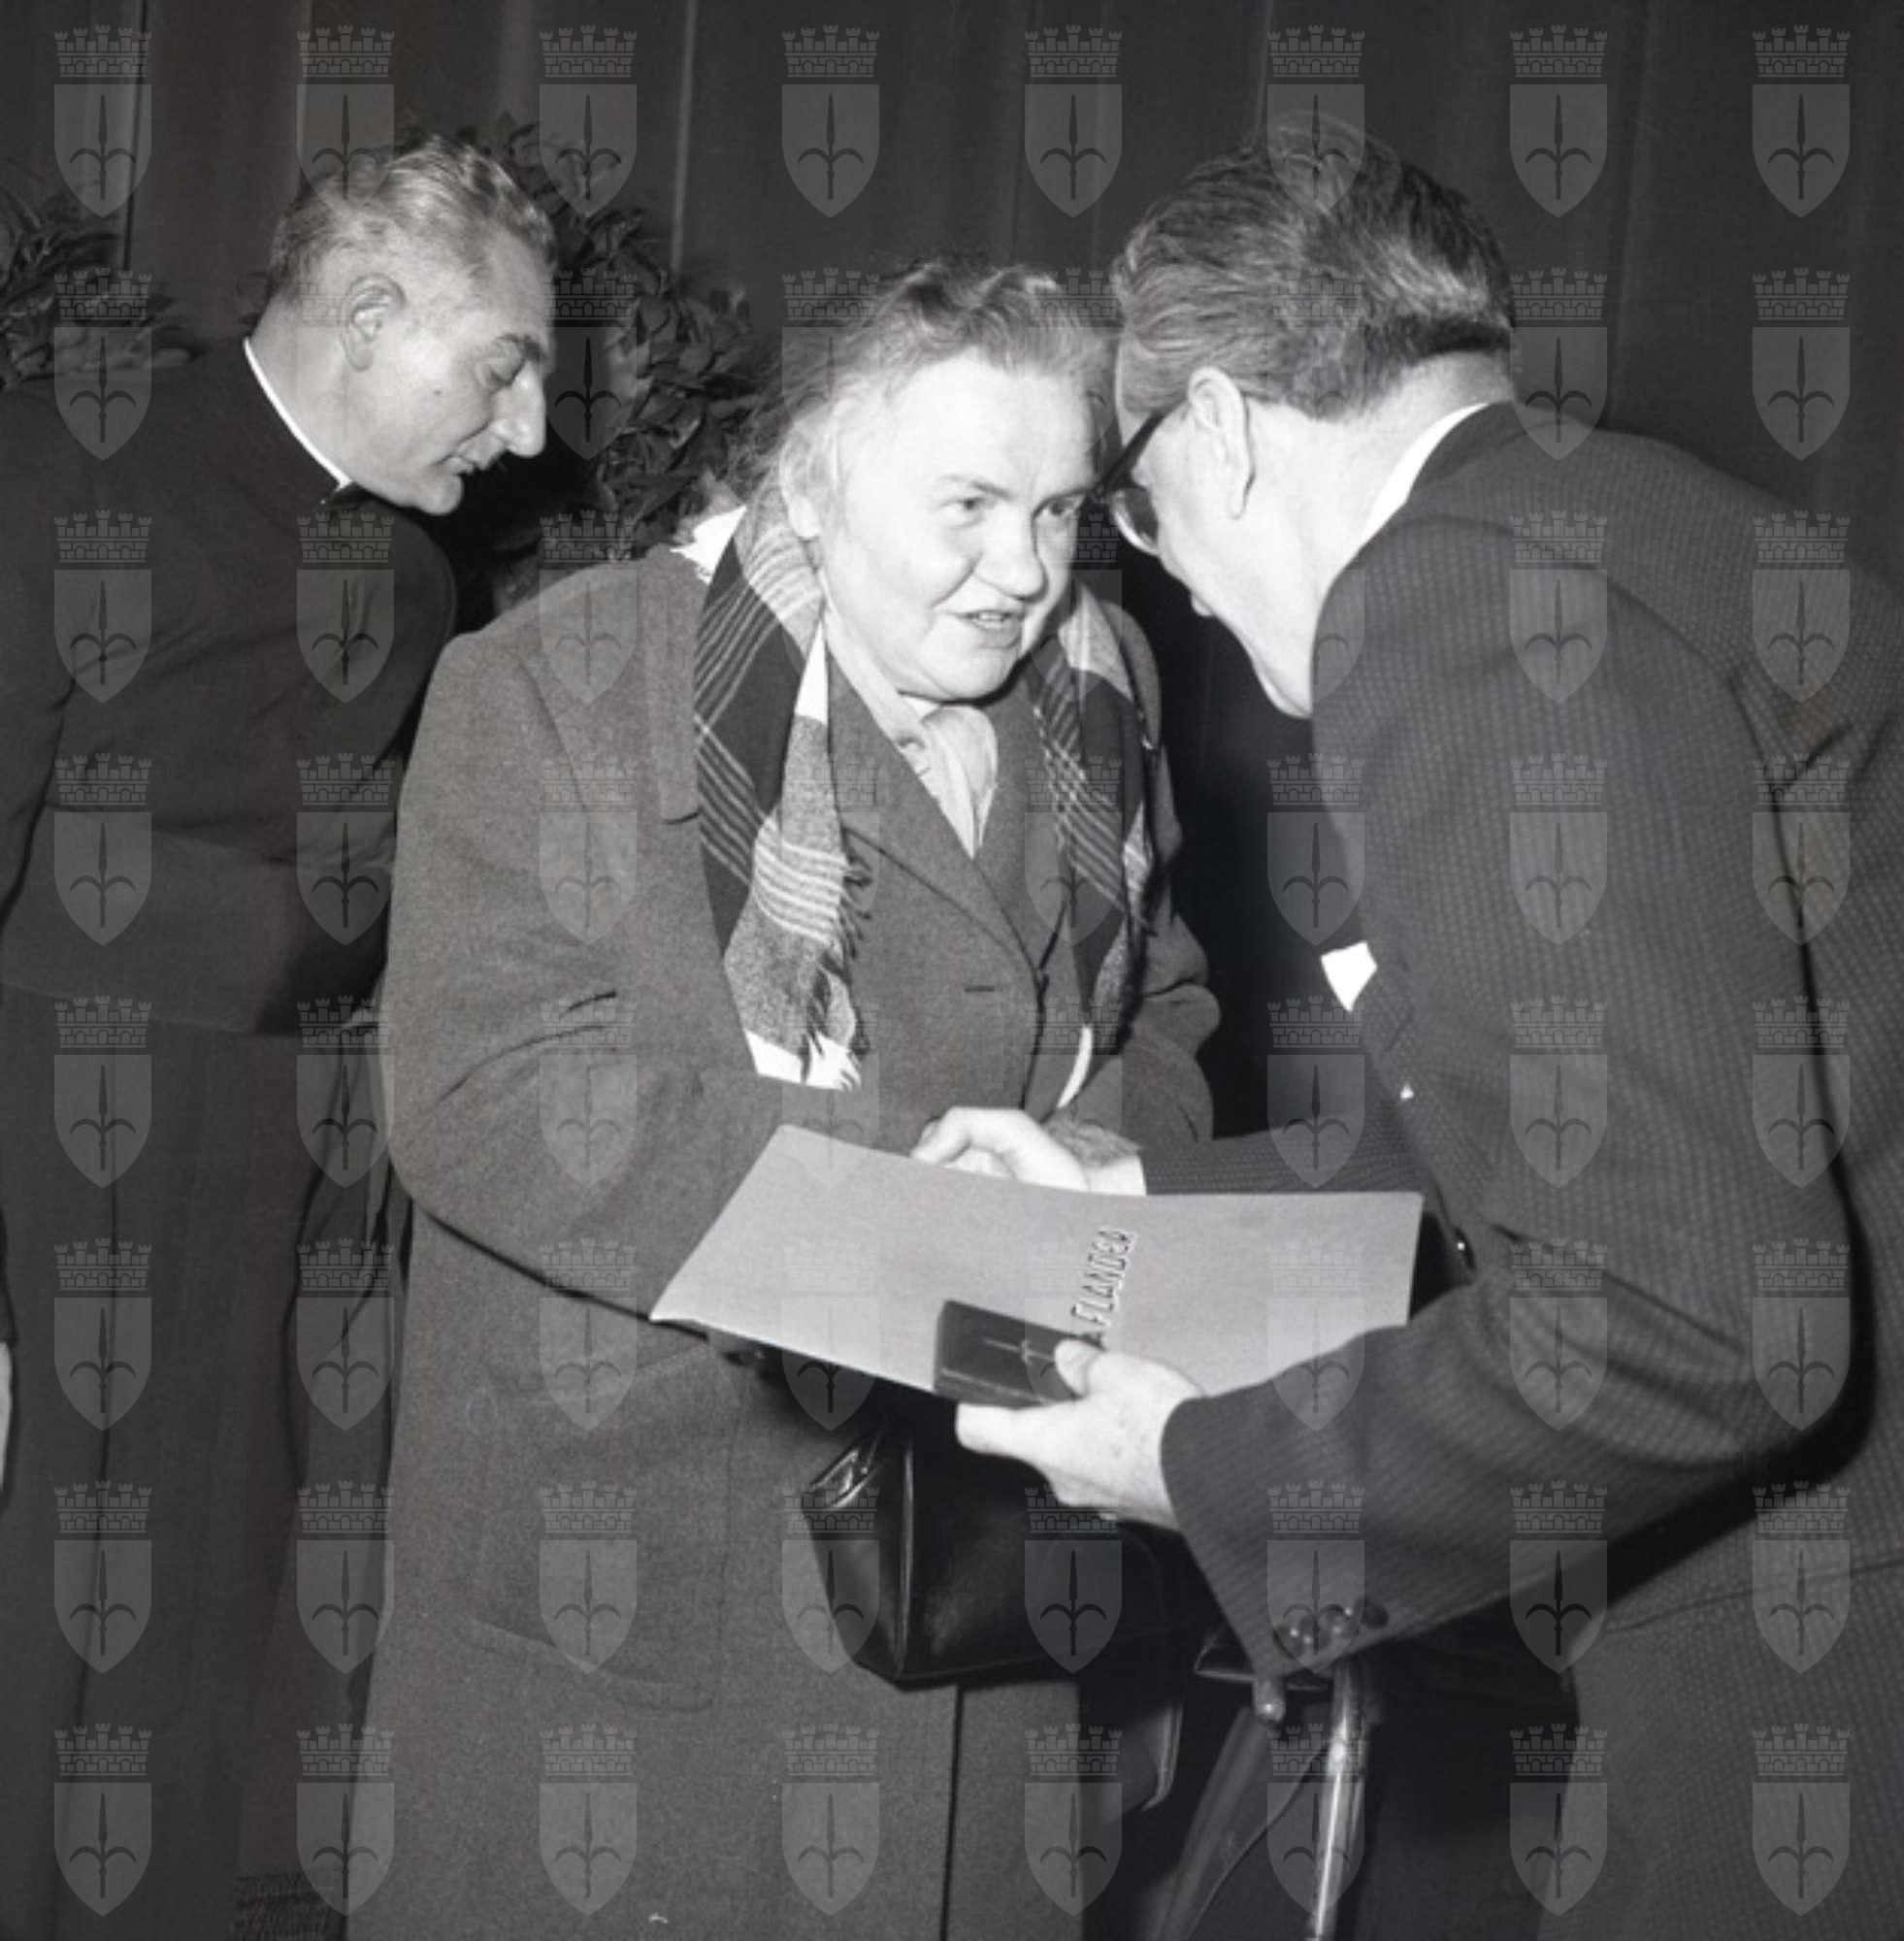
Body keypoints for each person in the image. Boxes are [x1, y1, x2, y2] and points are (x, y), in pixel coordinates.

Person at [920, 135, 1904, 1937]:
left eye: (1132, 512)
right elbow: (1607, 1117)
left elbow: (1691, 1321)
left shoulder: (1448, 602)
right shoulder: (1660, 526)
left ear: (1218, 429)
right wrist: (1130, 1190)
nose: (1166, 582)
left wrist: (1202, 1471)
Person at [351, 260, 1216, 1936]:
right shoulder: (558, 685)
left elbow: (1165, 1005)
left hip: (993, 1557)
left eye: (1059, 508)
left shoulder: (1104, 678)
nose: (1025, 572)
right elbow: (487, 1095)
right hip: (649, 1567)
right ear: (808, 487)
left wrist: (1101, 1170)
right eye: (967, 505)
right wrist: (941, 1224)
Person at [0, 135, 554, 1937]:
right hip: (72, 1157)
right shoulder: (60, 472)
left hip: (310, 1175)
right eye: (504, 367)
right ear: (370, 312)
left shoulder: (418, 581)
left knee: (247, 1592)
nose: (529, 431)